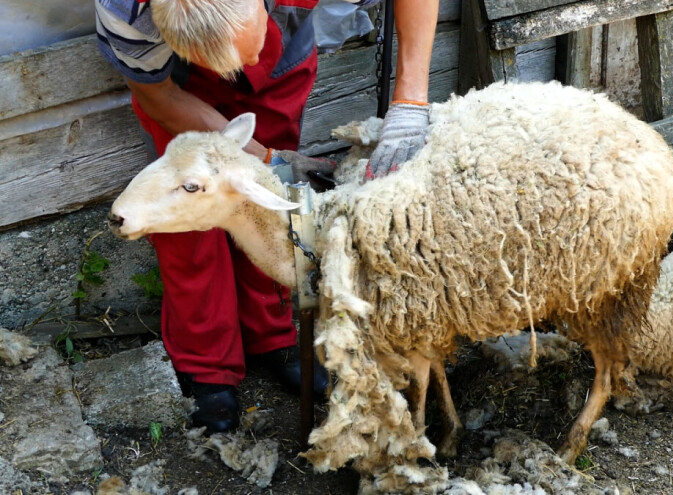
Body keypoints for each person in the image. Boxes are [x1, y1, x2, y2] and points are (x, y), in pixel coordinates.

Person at [95, 0, 439, 432]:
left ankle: (271, 335)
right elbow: (155, 92)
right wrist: (264, 158)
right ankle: (208, 365)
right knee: (187, 220)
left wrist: (409, 100)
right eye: (239, 57)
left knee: (268, 213)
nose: (247, 64)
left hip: (279, 64)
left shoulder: (264, 42)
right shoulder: (125, 15)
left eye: (247, 46)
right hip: (180, 87)